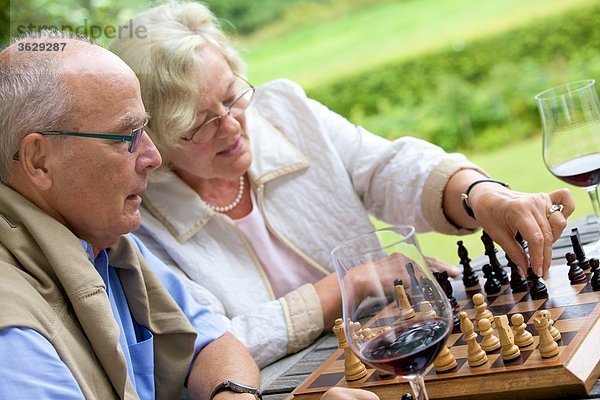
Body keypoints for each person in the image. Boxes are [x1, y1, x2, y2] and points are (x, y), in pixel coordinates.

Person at [109, 2, 575, 368]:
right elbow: (213, 343)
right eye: (200, 123)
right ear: (156, 140)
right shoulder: (138, 220)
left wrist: (481, 194)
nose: (231, 126)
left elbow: (389, 167)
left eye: (232, 97)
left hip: (390, 346)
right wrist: (352, 283)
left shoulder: (287, 111)